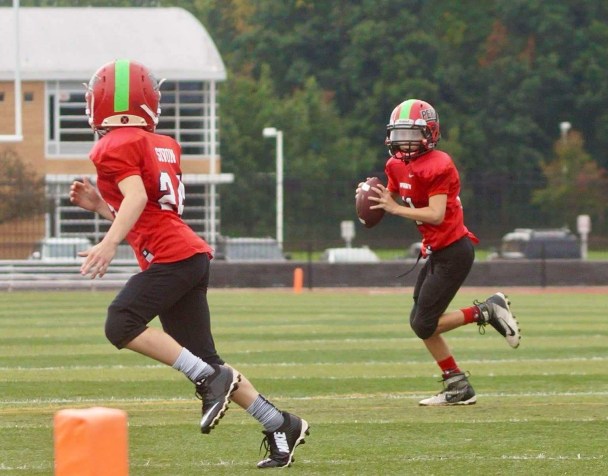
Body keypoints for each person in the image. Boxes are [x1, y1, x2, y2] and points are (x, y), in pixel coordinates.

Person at [70, 59, 308, 467]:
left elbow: (139, 202)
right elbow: (146, 214)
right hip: (184, 254)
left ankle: (205, 380)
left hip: (172, 257)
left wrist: (107, 244)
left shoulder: (111, 145)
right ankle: (279, 423)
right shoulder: (161, 142)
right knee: (208, 360)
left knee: (121, 322)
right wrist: (100, 207)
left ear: (99, 103)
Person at [357, 98, 521, 405]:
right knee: (419, 321)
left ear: (429, 134)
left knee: (424, 324)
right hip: (436, 252)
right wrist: (371, 195)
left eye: (411, 134)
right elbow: (389, 194)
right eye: (399, 134)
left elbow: (434, 213)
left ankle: (486, 310)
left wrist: (392, 208)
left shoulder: (439, 165)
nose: (403, 143)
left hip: (454, 252)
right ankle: (457, 385)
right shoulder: (394, 165)